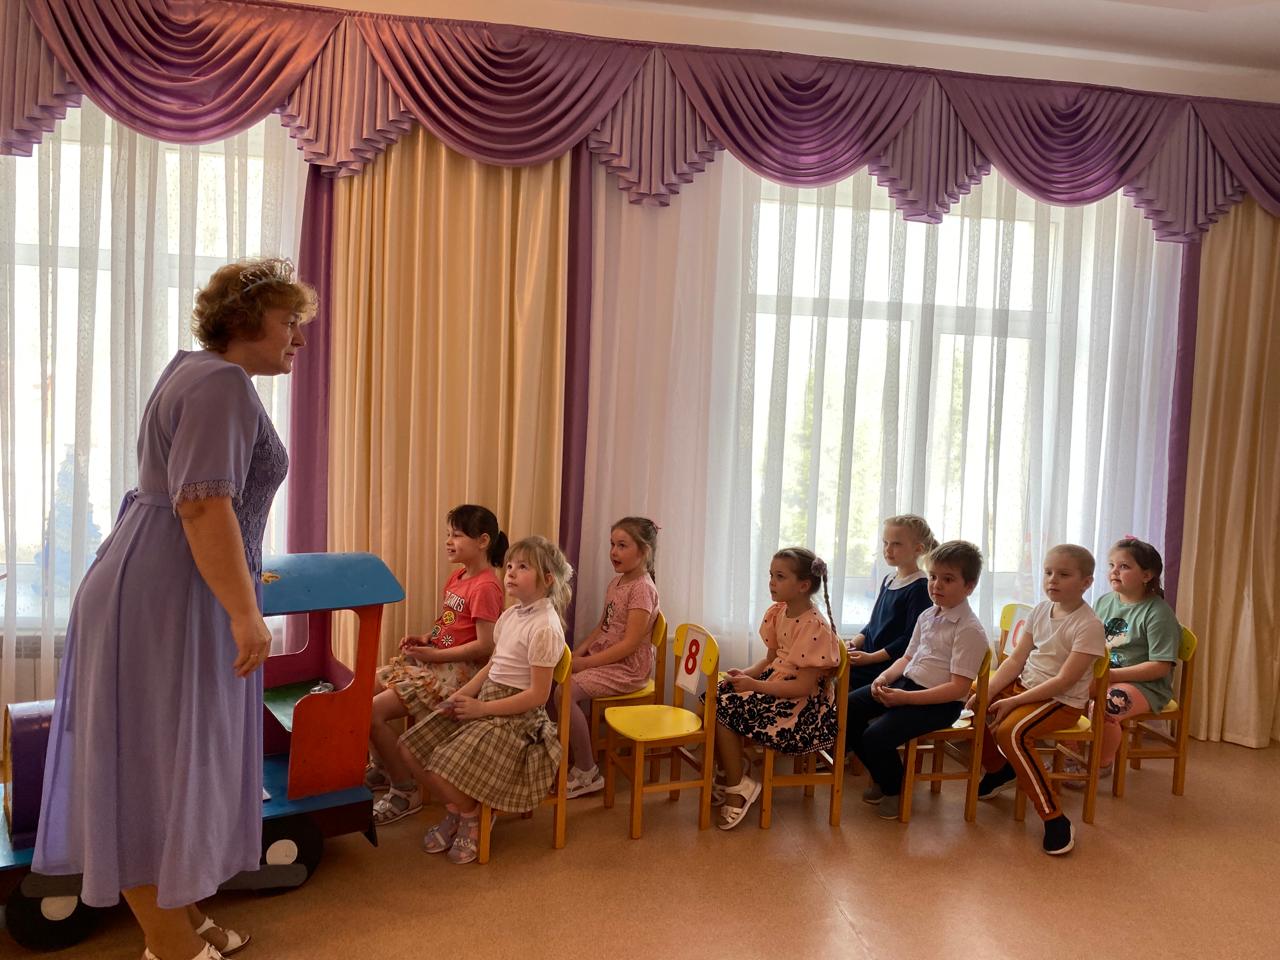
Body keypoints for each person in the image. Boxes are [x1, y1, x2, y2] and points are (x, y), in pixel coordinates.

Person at [33, 258, 314, 960]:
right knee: (149, 767)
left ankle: (180, 915)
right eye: (290, 322)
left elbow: (200, 501)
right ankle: (168, 944)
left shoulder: (195, 370)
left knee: (168, 760)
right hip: (168, 592)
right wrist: (244, 612)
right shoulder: (221, 382)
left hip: (159, 581)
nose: (299, 339)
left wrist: (242, 591)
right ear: (247, 321)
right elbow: (202, 505)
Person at [396, 536, 572, 864]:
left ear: (548, 579)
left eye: (523, 567)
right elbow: (493, 667)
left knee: (441, 763)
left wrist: (483, 708)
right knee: (410, 747)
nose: (511, 572)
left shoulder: (546, 628)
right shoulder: (511, 615)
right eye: (510, 565)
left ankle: (471, 817)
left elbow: (537, 696)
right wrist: (459, 697)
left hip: (516, 720)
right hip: (486, 703)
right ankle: (459, 809)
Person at [366, 505, 507, 824]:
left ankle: (405, 790)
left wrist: (435, 656)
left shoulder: (486, 586)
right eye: (448, 534)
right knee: (360, 693)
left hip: (457, 675)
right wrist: (427, 638)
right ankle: (383, 768)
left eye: (457, 535)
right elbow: (450, 623)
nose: (448, 541)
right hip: (434, 663)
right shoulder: (458, 576)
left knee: (372, 712)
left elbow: (485, 645)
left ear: (483, 541)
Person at [844, 540, 990, 820]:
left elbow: (957, 688)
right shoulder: (927, 615)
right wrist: (884, 677)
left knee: (876, 736)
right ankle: (885, 776)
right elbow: (908, 657)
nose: (936, 585)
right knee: (848, 708)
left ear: (969, 587)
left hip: (940, 704)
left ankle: (894, 788)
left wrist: (905, 698)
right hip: (908, 685)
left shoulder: (969, 630)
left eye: (948, 579)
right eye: (933, 577)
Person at [976, 544, 1105, 856]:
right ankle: (1000, 769)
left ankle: (1054, 817)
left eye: (1063, 574)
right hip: (1027, 687)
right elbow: (1015, 660)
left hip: (1060, 701)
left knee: (1011, 732)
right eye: (1048, 572)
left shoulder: (1089, 625)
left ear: (1086, 582)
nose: (1052, 580)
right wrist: (988, 692)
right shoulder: (1038, 611)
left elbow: (1064, 681)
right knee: (972, 699)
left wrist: (1013, 702)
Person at [712, 548, 842, 830]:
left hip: (802, 708)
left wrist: (754, 685)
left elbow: (803, 687)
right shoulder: (779, 611)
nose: (771, 582)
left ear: (803, 585)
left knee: (724, 711)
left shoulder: (815, 626)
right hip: (777, 685)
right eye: (771, 575)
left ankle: (738, 787)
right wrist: (745, 674)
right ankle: (733, 770)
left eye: (780, 577)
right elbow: (770, 660)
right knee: (714, 697)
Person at [558, 517, 660, 798]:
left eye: (622, 545)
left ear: (644, 551)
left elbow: (629, 645)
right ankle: (570, 753)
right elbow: (602, 627)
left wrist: (586, 663)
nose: (614, 552)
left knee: (564, 692)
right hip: (608, 659)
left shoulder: (642, 589)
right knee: (557, 679)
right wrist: (576, 653)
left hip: (628, 668)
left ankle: (587, 771)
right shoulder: (617, 582)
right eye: (612, 544)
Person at [1067, 537, 1180, 785]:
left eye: (1124, 566)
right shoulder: (1104, 601)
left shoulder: (1158, 613)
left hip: (1145, 686)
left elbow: (1161, 666)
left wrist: (1113, 676)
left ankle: (1101, 763)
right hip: (1106, 675)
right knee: (1066, 694)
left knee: (1106, 707)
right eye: (1111, 565)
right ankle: (1071, 757)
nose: (1114, 572)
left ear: (1147, 575)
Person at [847, 515, 937, 689]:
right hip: (869, 660)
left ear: (918, 549)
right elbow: (873, 624)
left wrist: (871, 658)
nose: (888, 549)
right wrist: (855, 642)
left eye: (896, 544)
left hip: (889, 668)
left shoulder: (920, 587)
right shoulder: (889, 579)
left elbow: (909, 640)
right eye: (885, 543)